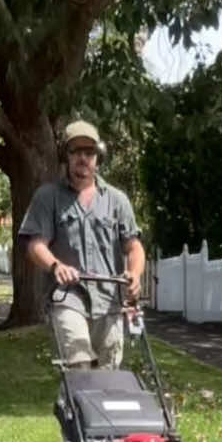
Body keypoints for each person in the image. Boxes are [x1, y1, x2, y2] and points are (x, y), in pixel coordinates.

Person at [19, 120, 146, 369]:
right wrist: (56, 265)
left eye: (89, 152)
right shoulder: (48, 197)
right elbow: (35, 245)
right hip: (68, 297)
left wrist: (134, 274)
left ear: (98, 157)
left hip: (109, 302)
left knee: (108, 376)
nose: (83, 158)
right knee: (79, 365)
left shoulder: (117, 200)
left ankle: (73, 406)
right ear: (65, 155)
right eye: (76, 151)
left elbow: (134, 246)